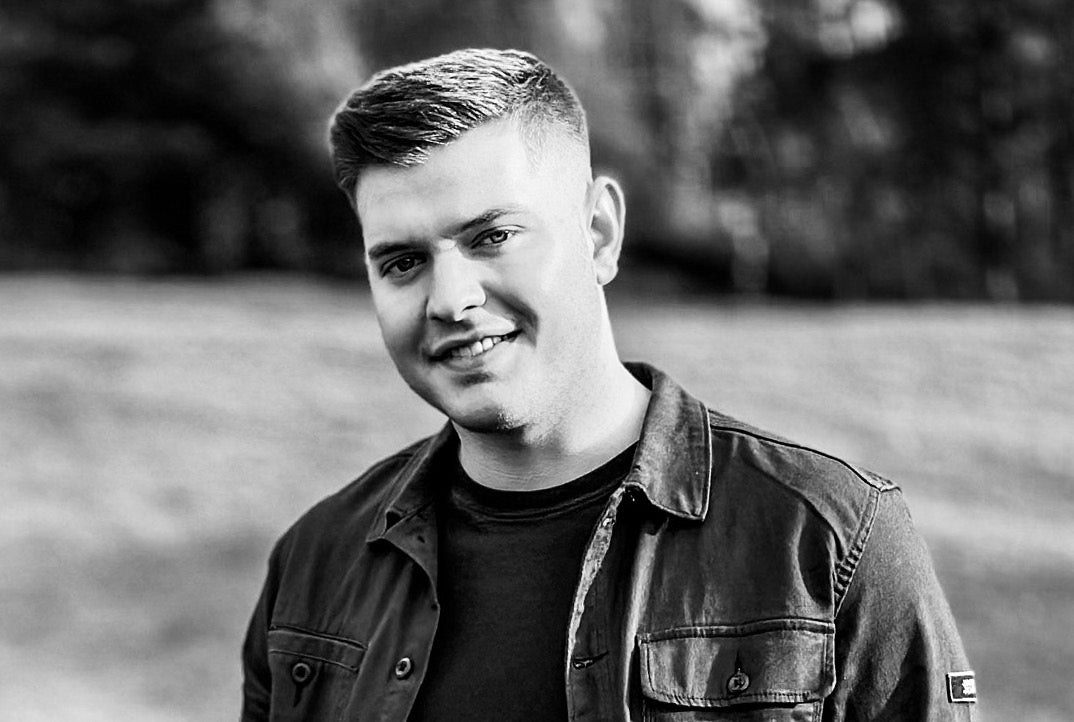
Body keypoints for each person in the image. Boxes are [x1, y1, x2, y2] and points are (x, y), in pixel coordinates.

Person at [241, 48, 977, 721]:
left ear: (599, 233)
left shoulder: (828, 539)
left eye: (491, 237)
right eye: (402, 262)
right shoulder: (315, 566)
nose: (449, 299)